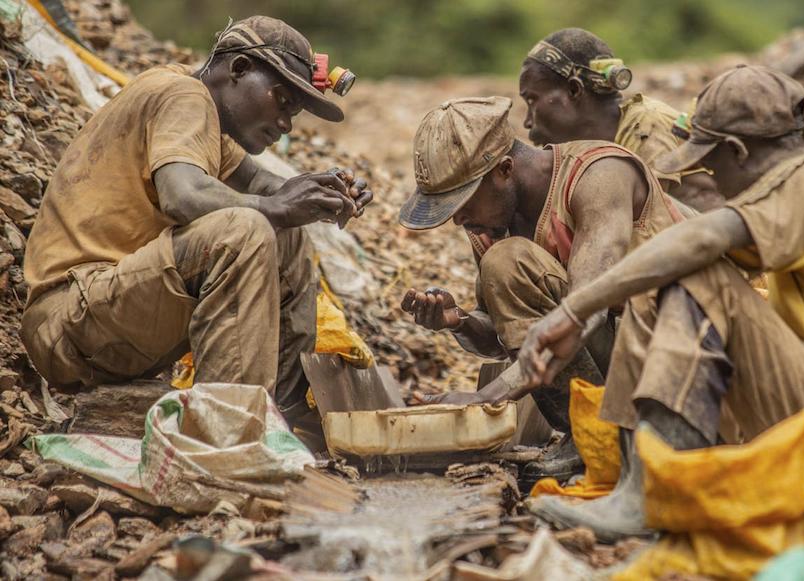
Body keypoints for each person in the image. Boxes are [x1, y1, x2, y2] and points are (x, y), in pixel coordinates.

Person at [516, 65, 804, 540]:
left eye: (712, 163)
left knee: (694, 271)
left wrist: (572, 309)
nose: (711, 179)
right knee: (659, 272)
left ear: (739, 151)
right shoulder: (796, 198)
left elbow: (702, 239)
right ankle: (638, 479)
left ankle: (657, 492)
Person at [20, 16, 372, 421]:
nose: (285, 124)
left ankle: (282, 419)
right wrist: (276, 208)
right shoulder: (183, 94)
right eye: (282, 100)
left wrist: (319, 192)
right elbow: (182, 195)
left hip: (107, 317)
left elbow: (260, 182)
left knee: (283, 232)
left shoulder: (206, 119)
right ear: (239, 69)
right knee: (246, 228)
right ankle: (229, 432)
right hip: (70, 319)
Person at [398, 96, 687, 480]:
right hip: (620, 364)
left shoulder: (598, 176)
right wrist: (461, 322)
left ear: (503, 170)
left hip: (678, 360)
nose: (458, 219)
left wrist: (489, 397)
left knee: (507, 261)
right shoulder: (490, 223)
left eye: (462, 202)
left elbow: (585, 312)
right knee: (504, 262)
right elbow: (511, 337)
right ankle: (588, 436)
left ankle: (616, 439)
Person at [517, 27, 721, 213]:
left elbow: (650, 222)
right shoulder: (594, 152)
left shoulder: (646, 124)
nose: (527, 122)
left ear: (574, 90)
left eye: (532, 100)